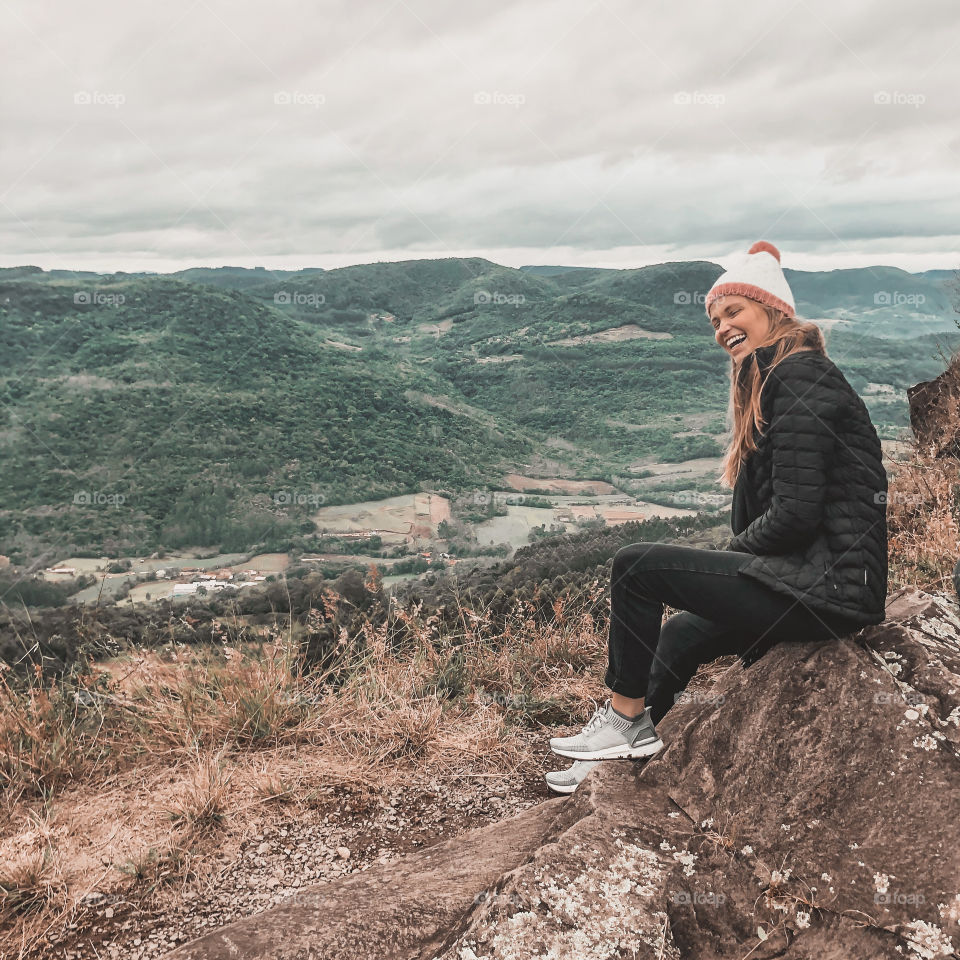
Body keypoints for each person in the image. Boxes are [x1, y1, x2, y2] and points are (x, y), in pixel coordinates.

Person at [544, 241, 889, 794]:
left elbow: (797, 516)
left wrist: (721, 563)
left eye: (734, 311)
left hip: (827, 592)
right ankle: (608, 765)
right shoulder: (780, 376)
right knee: (680, 635)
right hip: (810, 583)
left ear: (773, 310)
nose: (722, 326)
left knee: (636, 567)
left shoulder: (798, 378)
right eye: (715, 318)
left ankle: (625, 720)